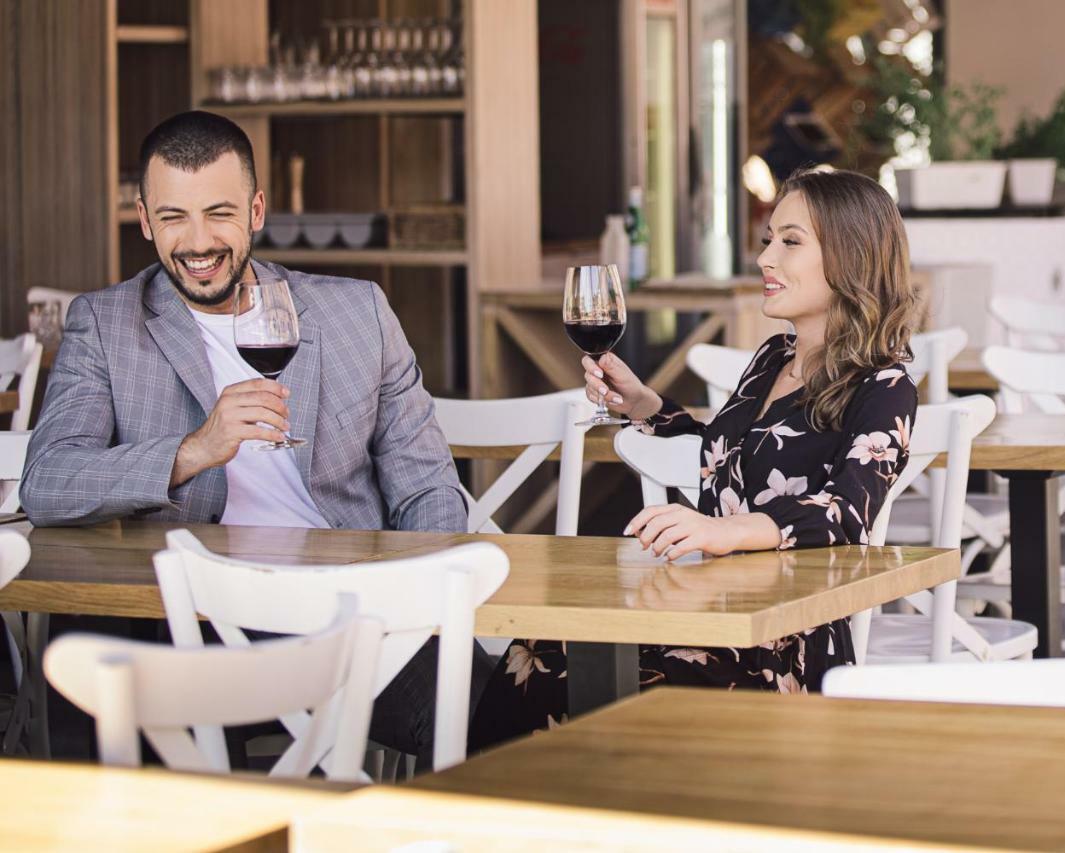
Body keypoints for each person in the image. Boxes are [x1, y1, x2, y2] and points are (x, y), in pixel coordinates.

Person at [21, 110, 475, 764]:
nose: (198, 241)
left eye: (219, 213)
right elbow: (49, 481)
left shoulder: (359, 313)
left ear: (258, 209)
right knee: (96, 679)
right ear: (145, 220)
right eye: (173, 217)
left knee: (501, 718)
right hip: (196, 623)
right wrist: (193, 451)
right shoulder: (105, 322)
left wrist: (413, 604)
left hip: (352, 616)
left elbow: (430, 489)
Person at [469, 168, 919, 748]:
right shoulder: (772, 358)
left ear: (852, 254)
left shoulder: (886, 383)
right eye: (768, 241)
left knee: (596, 676)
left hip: (782, 640)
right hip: (707, 608)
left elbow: (846, 513)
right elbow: (724, 453)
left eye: (790, 241)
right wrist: (646, 405)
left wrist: (721, 532)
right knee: (540, 646)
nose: (765, 259)